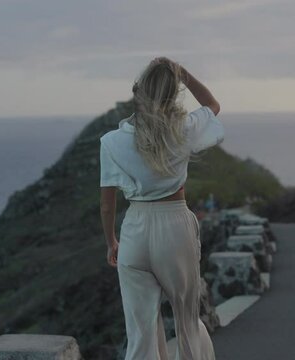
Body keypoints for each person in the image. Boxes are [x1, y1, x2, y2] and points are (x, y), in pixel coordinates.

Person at [99, 56, 224, 360]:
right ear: (173, 93)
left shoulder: (112, 141)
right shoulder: (183, 129)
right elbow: (213, 105)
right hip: (174, 227)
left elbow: (106, 204)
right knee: (186, 321)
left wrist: (111, 242)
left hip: (135, 231)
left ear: (137, 92)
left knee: (140, 332)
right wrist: (184, 74)